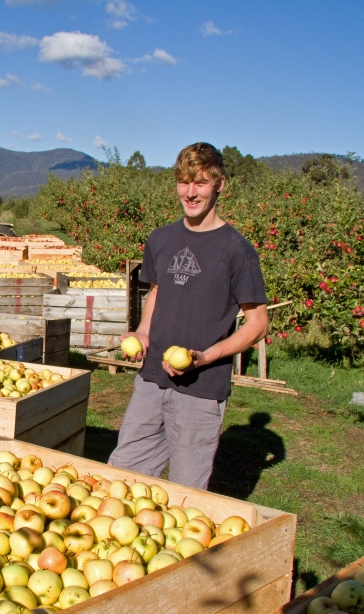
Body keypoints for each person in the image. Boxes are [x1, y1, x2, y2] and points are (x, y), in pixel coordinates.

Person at [107, 143, 268, 490]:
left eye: (201, 183)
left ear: (220, 184)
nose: (190, 193)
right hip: (151, 380)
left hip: (201, 388)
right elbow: (157, 292)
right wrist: (142, 332)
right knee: (121, 478)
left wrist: (206, 356)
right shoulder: (161, 238)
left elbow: (258, 323)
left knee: (185, 493)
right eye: (184, 182)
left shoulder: (237, 250)